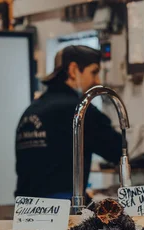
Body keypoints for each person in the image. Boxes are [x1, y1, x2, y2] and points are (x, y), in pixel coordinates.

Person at [15, 45, 123, 200]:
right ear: (73, 70)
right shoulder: (79, 110)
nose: (97, 80)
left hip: (25, 211)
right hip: (62, 211)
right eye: (94, 72)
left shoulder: (31, 110)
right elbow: (116, 148)